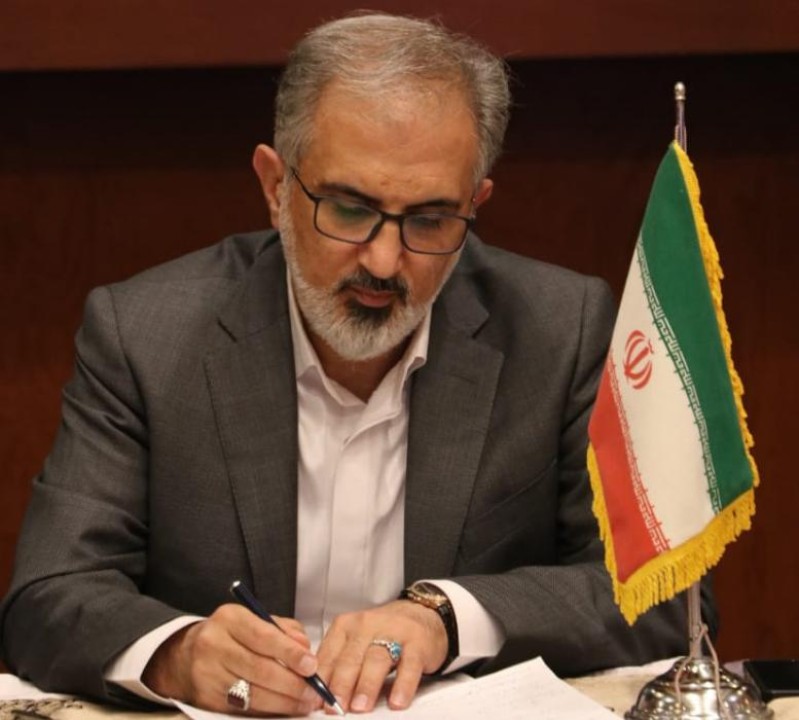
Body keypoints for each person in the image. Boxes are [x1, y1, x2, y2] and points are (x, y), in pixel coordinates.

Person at [0, 12, 715, 718]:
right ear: (275, 187)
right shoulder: (146, 336)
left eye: (429, 219)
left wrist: (449, 617)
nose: (384, 260)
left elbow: (666, 597)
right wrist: (178, 654)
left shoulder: (558, 330)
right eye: (348, 210)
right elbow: (48, 596)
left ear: (476, 204)